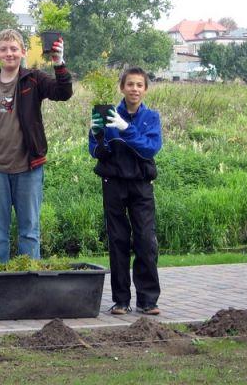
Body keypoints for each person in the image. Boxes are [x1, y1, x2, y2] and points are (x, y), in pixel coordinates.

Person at [0, 29, 73, 263]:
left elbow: (63, 93)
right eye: (4, 49)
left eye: (14, 49)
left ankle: (30, 286)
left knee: (29, 231)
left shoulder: (34, 79)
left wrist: (59, 62)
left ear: (23, 52)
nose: (9, 53)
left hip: (29, 167)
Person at [88, 66, 162, 315]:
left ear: (145, 89)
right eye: (130, 84)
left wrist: (126, 129)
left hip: (141, 185)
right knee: (118, 240)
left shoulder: (151, 118)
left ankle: (148, 300)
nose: (134, 89)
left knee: (145, 240)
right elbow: (97, 151)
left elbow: (150, 149)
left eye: (139, 85)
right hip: (114, 183)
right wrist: (97, 133)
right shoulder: (109, 114)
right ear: (122, 87)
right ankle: (121, 300)